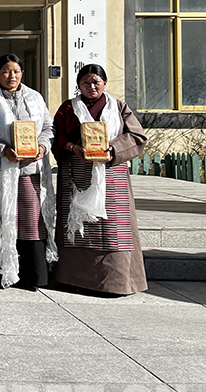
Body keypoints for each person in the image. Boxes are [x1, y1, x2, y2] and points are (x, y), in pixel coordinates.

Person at [52, 64, 148, 295]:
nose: (91, 86)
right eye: (85, 82)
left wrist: (112, 149)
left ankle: (115, 282)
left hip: (111, 174)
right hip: (77, 171)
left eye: (96, 82)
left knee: (114, 228)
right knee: (78, 226)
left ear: (105, 83)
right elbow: (56, 135)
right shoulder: (68, 108)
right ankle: (73, 279)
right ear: (79, 85)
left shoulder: (119, 107)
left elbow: (137, 136)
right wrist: (72, 147)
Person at [0, 54, 56, 291]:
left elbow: (48, 127)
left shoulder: (35, 97)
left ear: (22, 73)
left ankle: (33, 276)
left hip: (31, 169)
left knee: (31, 219)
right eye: (5, 71)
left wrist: (42, 147)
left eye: (16, 71)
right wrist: (3, 150)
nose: (11, 76)